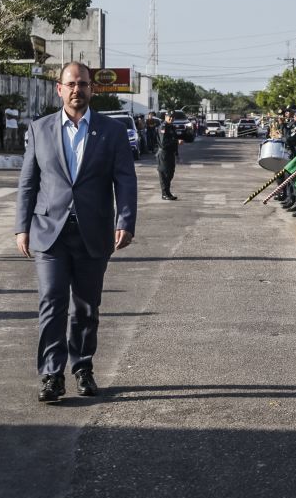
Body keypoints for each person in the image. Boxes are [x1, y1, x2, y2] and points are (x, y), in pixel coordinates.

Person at [14, 61, 138, 402]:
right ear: (59, 88)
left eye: (83, 84)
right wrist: (21, 227)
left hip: (93, 232)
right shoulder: (40, 129)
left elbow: (125, 180)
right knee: (51, 301)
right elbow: (28, 183)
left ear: (91, 89)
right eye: (70, 84)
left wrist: (125, 221)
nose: (76, 90)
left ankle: (82, 367)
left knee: (85, 306)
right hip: (49, 232)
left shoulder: (111, 132)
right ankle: (51, 376)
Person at [157, 111, 182, 200]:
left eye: (173, 117)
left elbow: (173, 140)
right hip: (164, 154)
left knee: (170, 173)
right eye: (169, 117)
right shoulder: (163, 127)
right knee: (165, 174)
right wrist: (176, 142)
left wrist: (176, 154)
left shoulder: (171, 127)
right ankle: (164, 194)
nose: (171, 118)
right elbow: (164, 143)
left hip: (170, 154)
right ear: (165, 117)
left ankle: (167, 192)